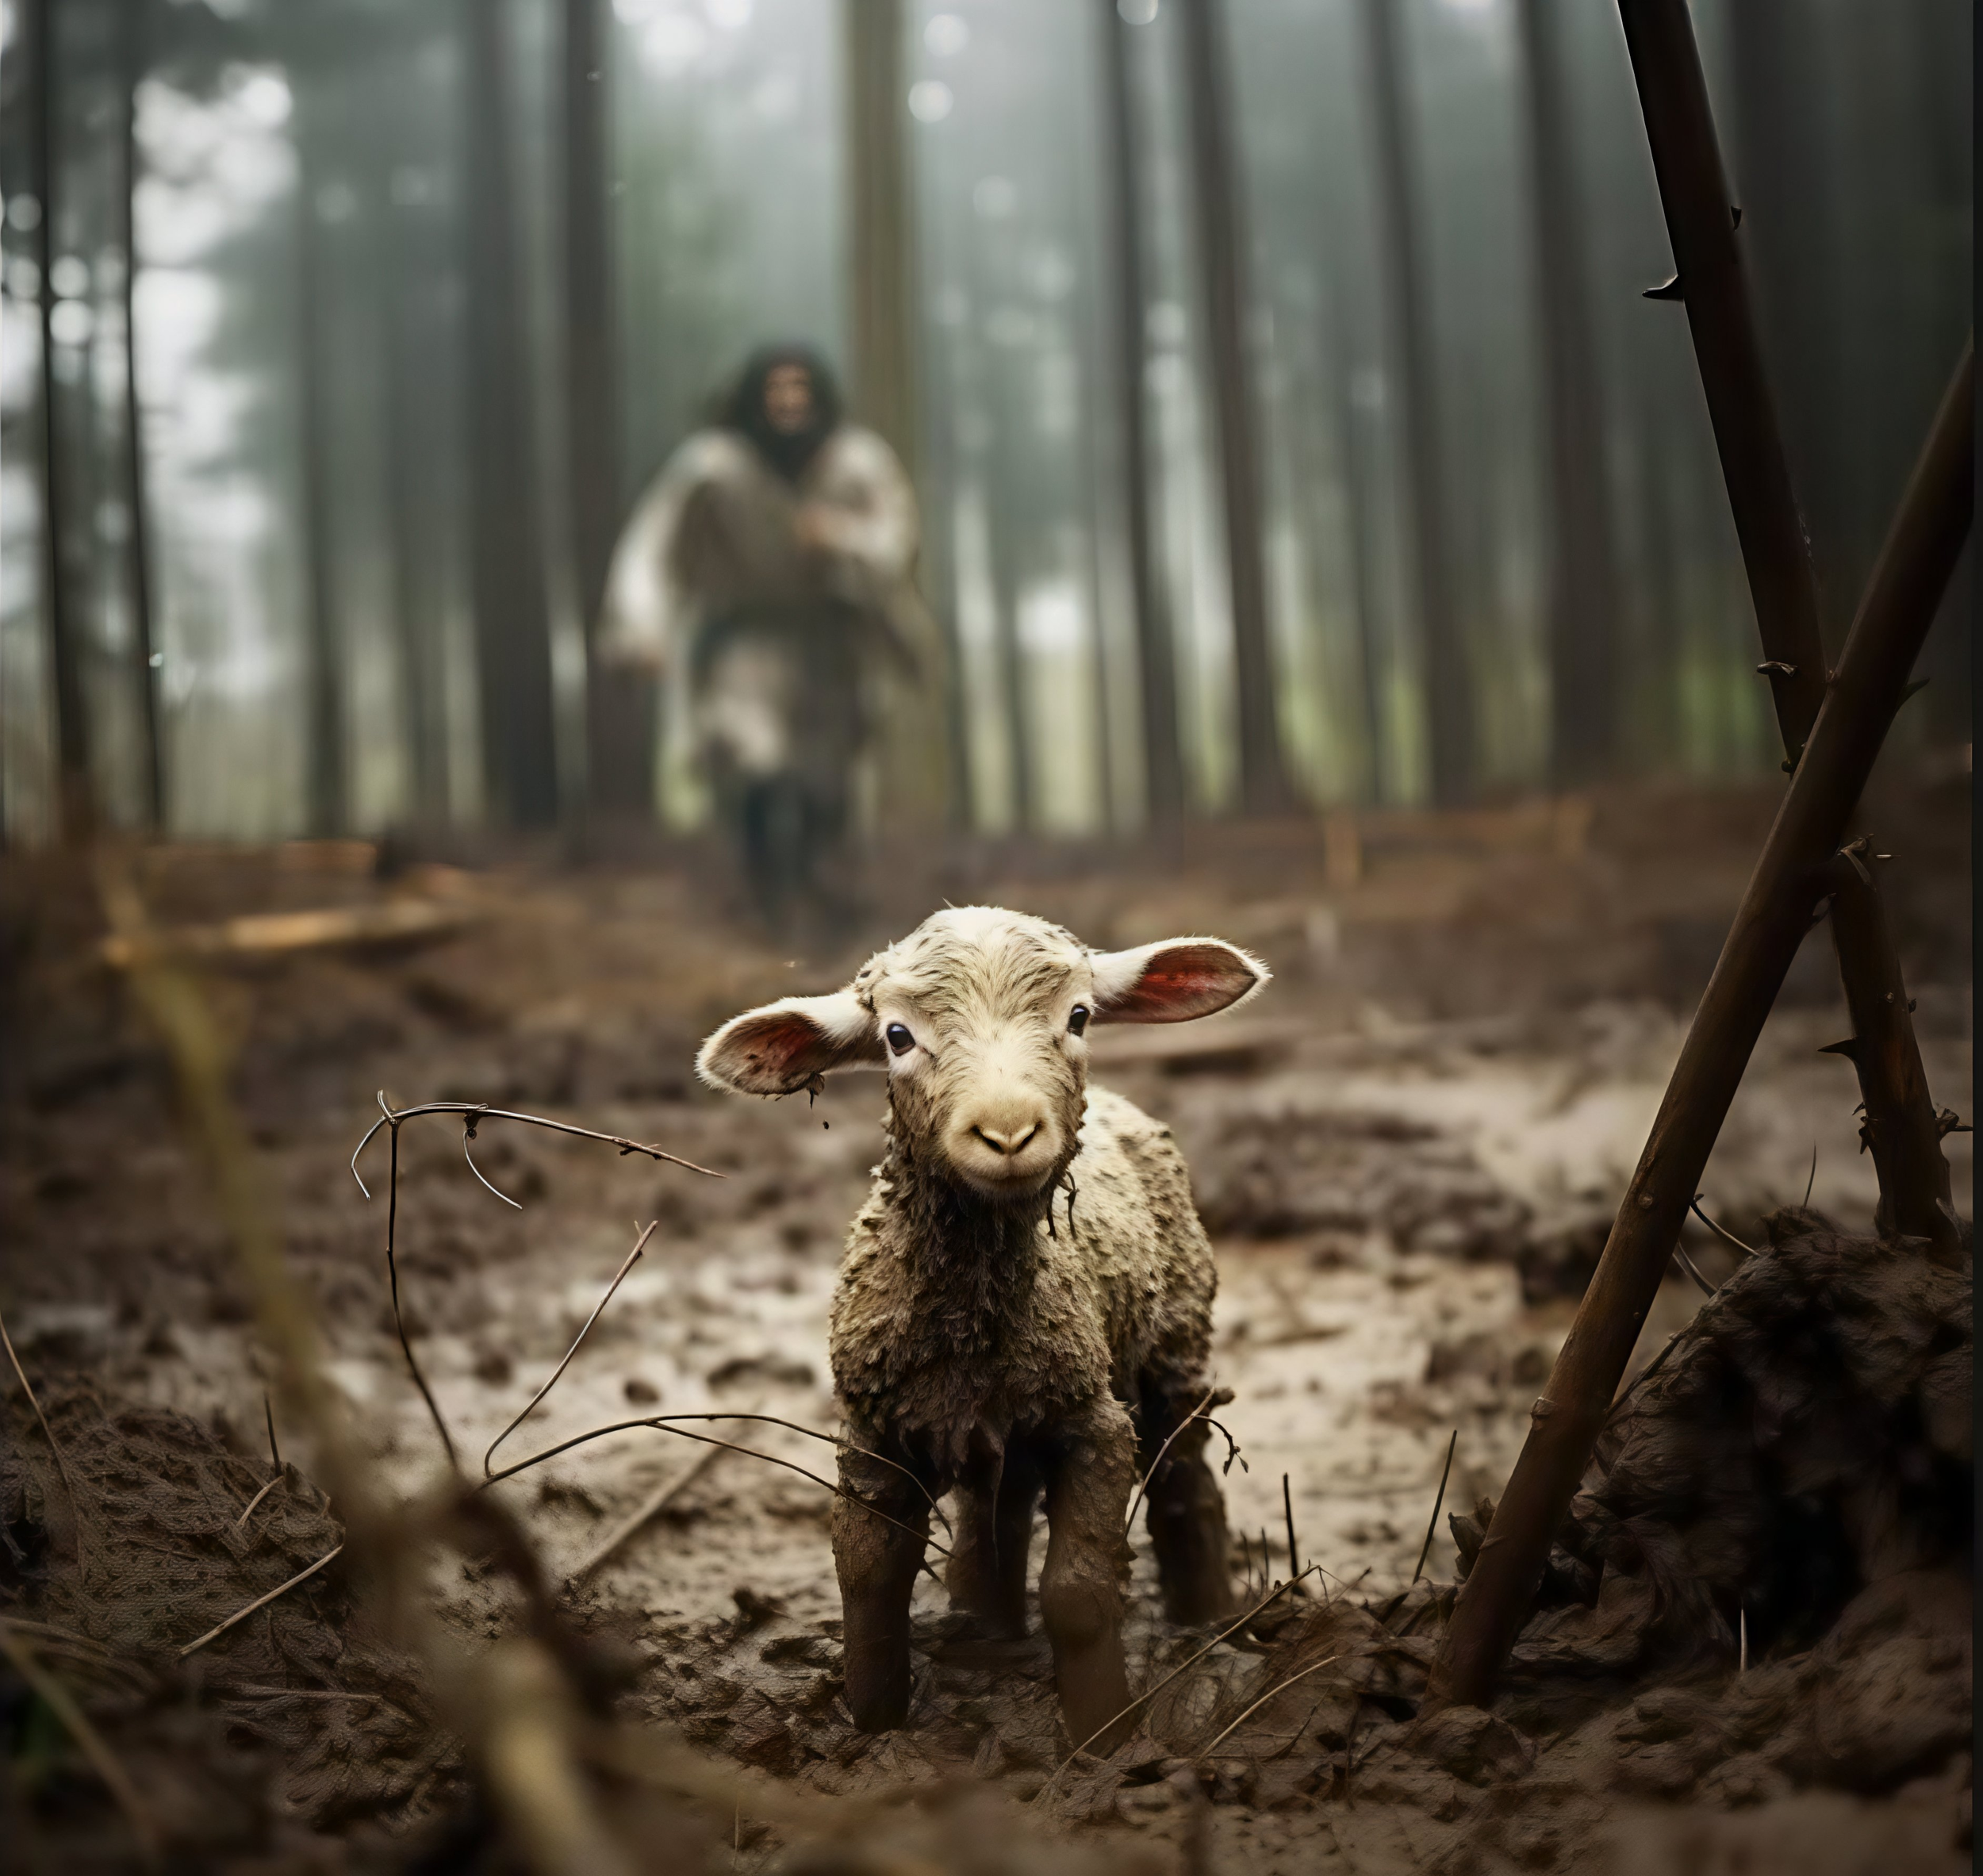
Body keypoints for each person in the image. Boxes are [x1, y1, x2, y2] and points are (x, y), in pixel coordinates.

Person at [598, 346, 934, 931]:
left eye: (800, 389)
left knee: (825, 778)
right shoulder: (713, 467)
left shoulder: (856, 462)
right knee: (753, 763)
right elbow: (653, 548)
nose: (789, 403)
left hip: (829, 642)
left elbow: (896, 540)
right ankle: (763, 894)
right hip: (744, 644)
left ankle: (819, 890)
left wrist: (840, 538)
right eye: (776, 390)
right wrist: (640, 627)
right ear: (753, 398)